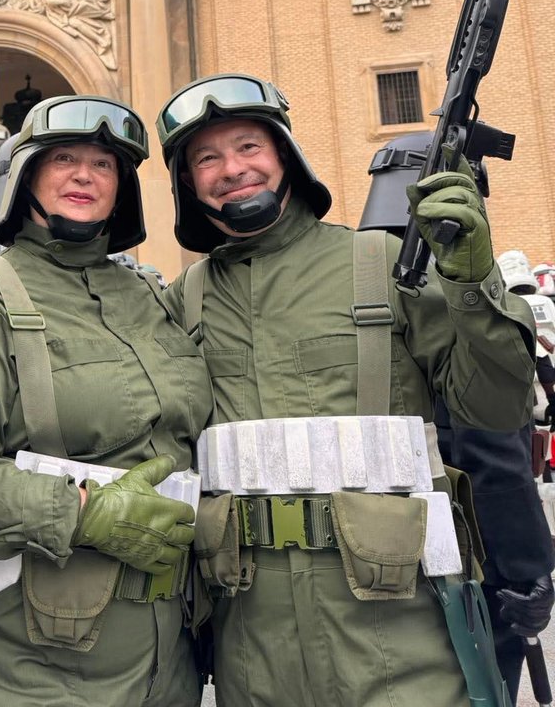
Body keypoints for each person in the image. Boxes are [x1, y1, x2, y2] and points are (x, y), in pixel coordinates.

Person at [156, 74, 537, 707]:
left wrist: (473, 285)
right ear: (187, 185)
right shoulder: (183, 302)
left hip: (401, 647)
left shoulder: (384, 265)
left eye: (249, 147)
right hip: (252, 653)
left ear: (286, 156)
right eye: (206, 159)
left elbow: (496, 407)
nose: (232, 169)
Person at [0, 95, 212, 706]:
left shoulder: (148, 295)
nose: (85, 175)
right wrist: (84, 512)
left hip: (168, 649)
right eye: (63, 159)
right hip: (35, 652)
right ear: (26, 177)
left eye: (103, 164)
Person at [360, 133, 555, 704]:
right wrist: (528, 568)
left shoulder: (356, 289)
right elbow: (493, 454)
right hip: (469, 562)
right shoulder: (450, 296)